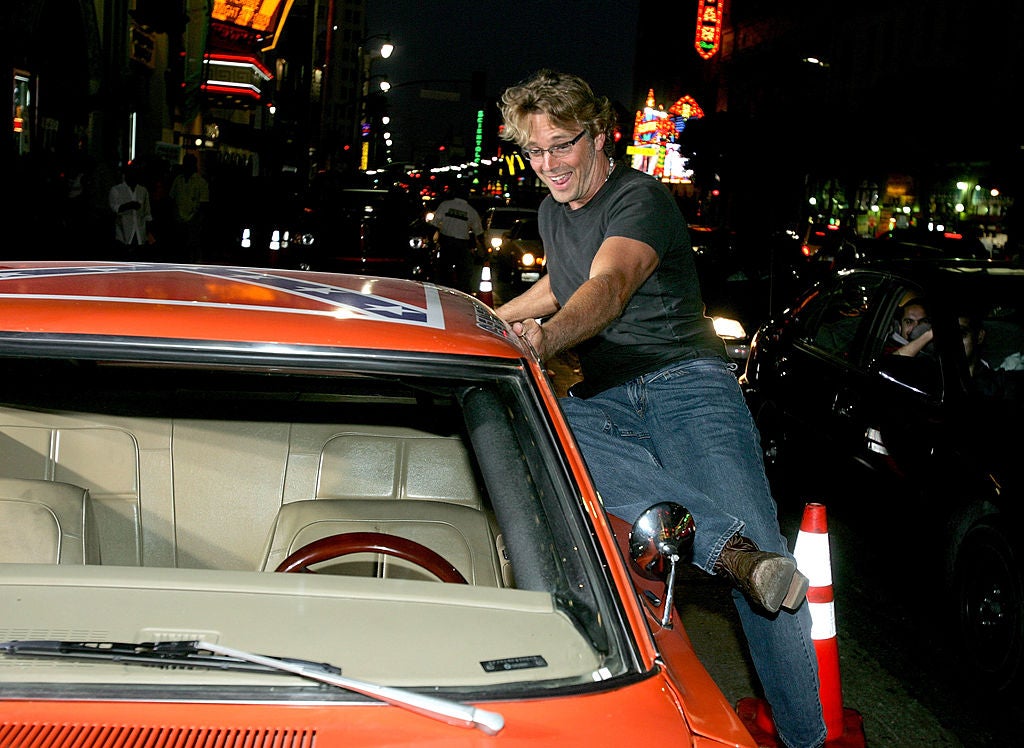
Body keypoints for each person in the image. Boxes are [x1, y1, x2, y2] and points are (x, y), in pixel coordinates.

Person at [494, 70, 825, 748]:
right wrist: (483, 320)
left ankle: (804, 738)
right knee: (546, 426)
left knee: (770, 576)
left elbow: (608, 285)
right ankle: (729, 553)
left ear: (599, 135)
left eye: (562, 145)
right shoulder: (555, 210)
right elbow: (564, 279)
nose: (549, 165)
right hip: (606, 395)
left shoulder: (638, 197)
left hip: (684, 384)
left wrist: (549, 338)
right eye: (534, 151)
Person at [429, 185, 485, 293]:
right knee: (464, 273)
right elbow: (479, 232)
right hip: (461, 245)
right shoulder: (471, 211)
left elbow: (434, 225)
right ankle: (462, 293)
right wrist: (484, 250)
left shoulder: (445, 205)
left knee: (443, 271)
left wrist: (431, 242)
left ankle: (443, 291)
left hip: (446, 243)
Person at [169, 153, 210, 263]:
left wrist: (195, 221)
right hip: (178, 220)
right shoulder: (178, 180)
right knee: (180, 249)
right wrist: (176, 216)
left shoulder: (201, 182)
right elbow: (172, 199)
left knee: (193, 246)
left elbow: (203, 205)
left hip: (193, 222)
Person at [108, 163, 153, 258]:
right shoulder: (117, 190)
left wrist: (149, 234)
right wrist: (129, 205)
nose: (134, 176)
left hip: (140, 233)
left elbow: (147, 213)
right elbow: (114, 208)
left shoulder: (143, 190)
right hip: (123, 233)